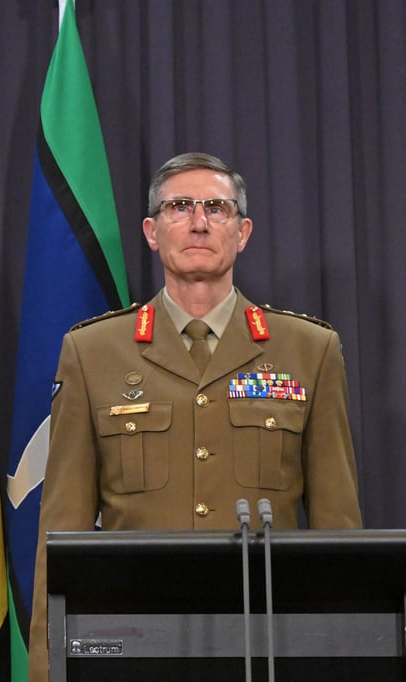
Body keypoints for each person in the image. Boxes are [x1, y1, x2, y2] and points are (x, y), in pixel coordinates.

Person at [27, 152, 362, 680]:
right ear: (152, 231)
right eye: (179, 207)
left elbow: (337, 527)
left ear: (243, 231)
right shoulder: (94, 352)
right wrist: (49, 664)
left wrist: (343, 656)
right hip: (129, 642)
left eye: (217, 208)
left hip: (267, 647)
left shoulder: (308, 350)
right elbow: (61, 531)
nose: (199, 222)